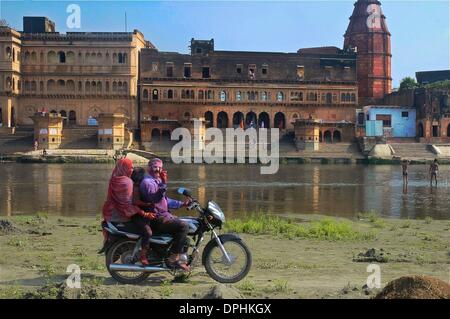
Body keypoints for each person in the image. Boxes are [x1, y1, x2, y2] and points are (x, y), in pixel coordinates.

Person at [139, 158, 191, 271]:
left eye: (160, 168)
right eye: (155, 167)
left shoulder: (156, 180)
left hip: (163, 215)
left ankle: (179, 258)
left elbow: (165, 200)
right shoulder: (147, 182)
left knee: (186, 230)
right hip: (156, 217)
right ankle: (173, 257)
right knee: (183, 226)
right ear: (149, 168)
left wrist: (182, 204)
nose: (158, 170)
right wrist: (163, 183)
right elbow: (155, 199)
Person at [102, 158, 156, 266]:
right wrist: (145, 213)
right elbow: (127, 206)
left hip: (110, 213)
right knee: (147, 232)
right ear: (125, 168)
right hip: (120, 216)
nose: (131, 169)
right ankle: (143, 256)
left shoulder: (114, 178)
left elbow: (128, 201)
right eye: (130, 167)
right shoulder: (127, 182)